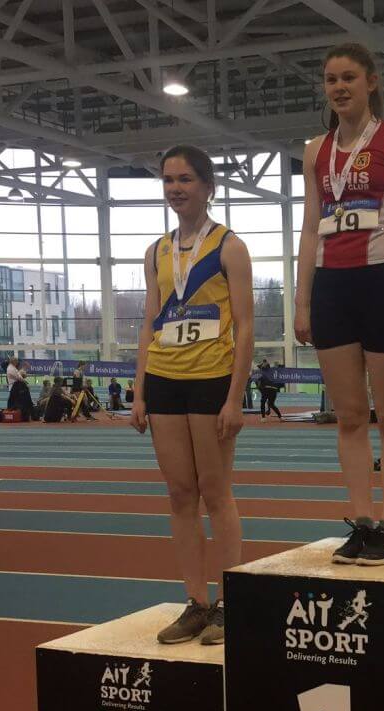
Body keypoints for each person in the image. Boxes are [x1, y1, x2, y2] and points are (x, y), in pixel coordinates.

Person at [294, 42, 384, 566]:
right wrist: (303, 300)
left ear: (371, 81)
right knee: (350, 415)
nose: (339, 87)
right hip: (333, 283)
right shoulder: (315, 150)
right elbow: (310, 227)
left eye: (349, 77)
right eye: (331, 80)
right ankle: (361, 521)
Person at [131, 144, 254, 645]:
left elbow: (245, 327)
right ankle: (195, 602)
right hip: (163, 380)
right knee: (180, 494)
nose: (176, 189)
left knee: (215, 492)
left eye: (185, 179)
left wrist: (235, 397)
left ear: (208, 187)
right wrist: (138, 392)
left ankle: (229, 602)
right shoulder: (157, 251)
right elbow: (149, 322)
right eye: (168, 180)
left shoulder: (229, 246)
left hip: (210, 380)